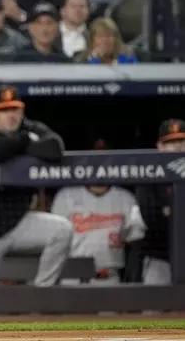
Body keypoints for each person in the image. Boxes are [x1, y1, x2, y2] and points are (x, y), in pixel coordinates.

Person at [0, 85, 73, 287]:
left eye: (14, 109)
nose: (10, 116)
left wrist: (17, 143)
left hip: (18, 222)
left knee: (62, 230)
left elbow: (55, 147)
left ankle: (42, 292)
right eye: (3, 110)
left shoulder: (31, 126)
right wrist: (25, 142)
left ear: (22, 110)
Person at [51, 139, 146, 285]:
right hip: (72, 276)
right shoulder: (66, 195)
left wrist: (132, 278)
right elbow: (54, 241)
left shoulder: (126, 198)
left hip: (109, 276)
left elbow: (136, 241)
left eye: (106, 160)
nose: (100, 165)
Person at [133, 119, 185, 286]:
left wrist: (170, 212)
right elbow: (152, 220)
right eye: (171, 142)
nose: (177, 146)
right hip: (159, 257)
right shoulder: (149, 177)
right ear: (160, 146)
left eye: (182, 141)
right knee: (154, 310)